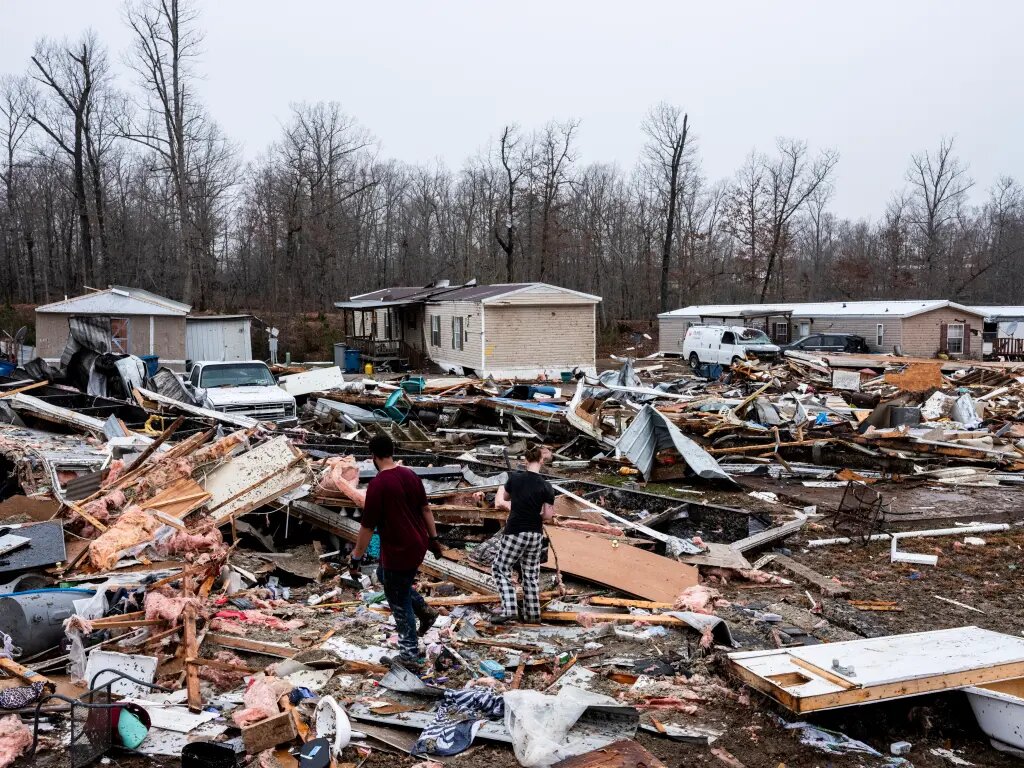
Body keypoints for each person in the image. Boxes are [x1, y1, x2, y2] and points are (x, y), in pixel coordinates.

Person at [349, 435, 442, 669]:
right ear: (392, 451)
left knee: (398, 600)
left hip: (398, 549)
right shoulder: (409, 474)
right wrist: (434, 539)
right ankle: (424, 611)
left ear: (373, 456)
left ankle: (409, 655)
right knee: (387, 578)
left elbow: (367, 526)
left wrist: (356, 557)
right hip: (417, 544)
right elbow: (426, 508)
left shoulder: (379, 484)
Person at [491, 444, 555, 624]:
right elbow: (548, 516)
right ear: (541, 461)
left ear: (525, 460)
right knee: (531, 575)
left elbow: (504, 500)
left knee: (500, 568)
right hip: (535, 534)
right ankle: (533, 616)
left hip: (515, 530)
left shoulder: (515, 479)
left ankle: (509, 609)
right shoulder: (547, 486)